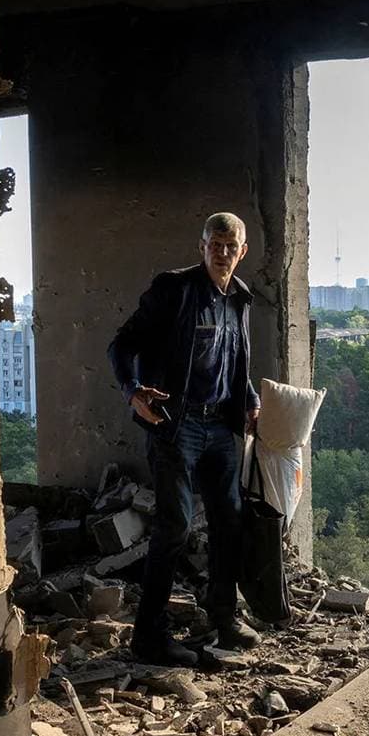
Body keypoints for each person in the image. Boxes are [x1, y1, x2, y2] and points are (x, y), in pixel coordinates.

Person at [108, 213, 263, 666]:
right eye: (214, 244)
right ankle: (149, 637)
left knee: (229, 521)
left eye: (230, 246)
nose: (221, 253)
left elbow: (234, 362)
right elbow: (122, 344)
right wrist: (132, 391)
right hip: (175, 424)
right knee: (174, 525)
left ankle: (224, 619)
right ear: (201, 248)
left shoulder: (240, 298)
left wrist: (249, 397)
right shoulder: (173, 290)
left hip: (219, 427)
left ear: (242, 251)